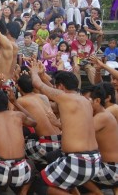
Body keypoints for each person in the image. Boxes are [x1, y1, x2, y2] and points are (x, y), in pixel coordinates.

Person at [30, 66, 101, 194]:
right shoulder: (84, 101)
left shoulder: (65, 98)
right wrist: (43, 75)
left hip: (78, 160)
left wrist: (34, 72)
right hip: (93, 159)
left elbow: (37, 84)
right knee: (53, 160)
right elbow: (53, 96)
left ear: (61, 87)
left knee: (40, 184)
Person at [82, 85, 118, 195]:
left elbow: (79, 134)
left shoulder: (102, 117)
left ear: (97, 100)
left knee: (73, 166)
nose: (84, 105)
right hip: (111, 168)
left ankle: (98, 193)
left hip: (111, 170)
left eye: (87, 101)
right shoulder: (101, 115)